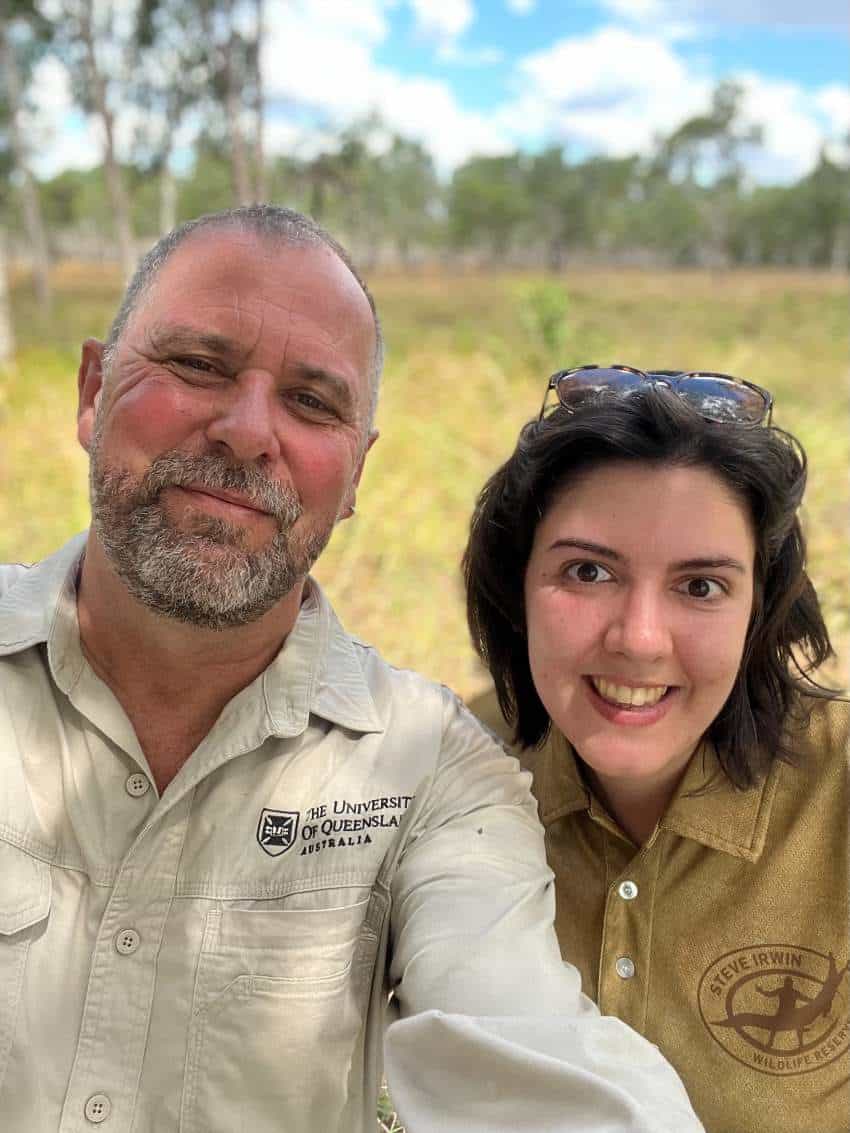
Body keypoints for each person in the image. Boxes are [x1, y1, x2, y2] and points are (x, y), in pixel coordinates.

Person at [0, 218, 704, 1133]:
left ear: (359, 470)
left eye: (312, 402)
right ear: (94, 391)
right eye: (200, 366)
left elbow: (525, 1053)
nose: (249, 432)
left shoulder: (430, 772)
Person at [464, 364, 849, 1133]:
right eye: (588, 570)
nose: (639, 639)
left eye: (701, 586)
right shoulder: (455, 771)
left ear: (760, 610)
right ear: (516, 586)